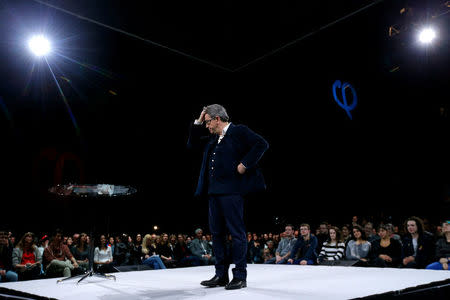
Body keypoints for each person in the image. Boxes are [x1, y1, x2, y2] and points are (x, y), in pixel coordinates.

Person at [188, 104, 269, 290]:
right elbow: (191, 145)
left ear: (218, 119)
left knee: (236, 233)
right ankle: (220, 275)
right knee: (217, 235)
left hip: (232, 192)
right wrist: (198, 122)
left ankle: (240, 276)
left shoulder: (238, 130)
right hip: (213, 192)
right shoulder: (212, 137)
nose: (206, 126)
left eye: (208, 122)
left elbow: (262, 144)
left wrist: (245, 164)